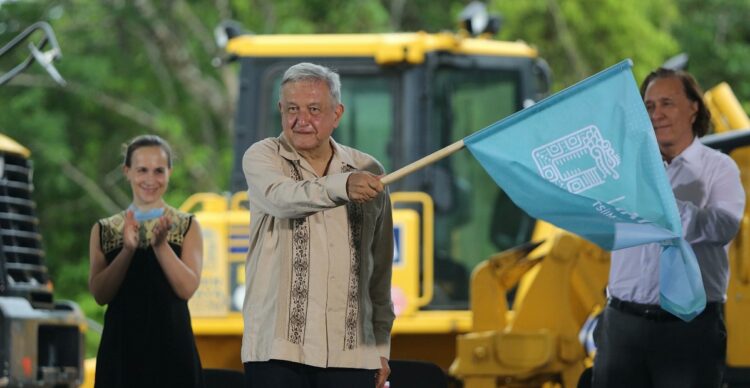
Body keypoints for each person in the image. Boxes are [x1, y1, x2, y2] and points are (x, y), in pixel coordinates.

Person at [241, 62, 395, 388]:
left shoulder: (368, 168)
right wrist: (343, 186)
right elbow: (282, 199)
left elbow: (379, 270)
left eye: (314, 109)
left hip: (351, 353)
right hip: (275, 351)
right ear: (280, 110)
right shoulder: (262, 157)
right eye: (292, 109)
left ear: (337, 114)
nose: (302, 121)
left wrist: (381, 344)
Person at [592, 68, 745, 387]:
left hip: (688, 329)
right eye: (649, 106)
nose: (656, 114)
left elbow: (724, 226)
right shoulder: (625, 171)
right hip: (621, 325)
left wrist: (669, 211)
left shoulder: (720, 168)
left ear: (694, 108)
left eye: (667, 103)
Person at [88, 135, 205, 388]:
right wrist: (127, 251)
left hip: (172, 350)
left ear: (170, 173)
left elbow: (187, 288)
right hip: (121, 350)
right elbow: (100, 294)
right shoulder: (105, 230)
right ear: (127, 171)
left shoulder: (187, 226)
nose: (150, 179)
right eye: (142, 170)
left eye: (158, 171)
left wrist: (161, 246)